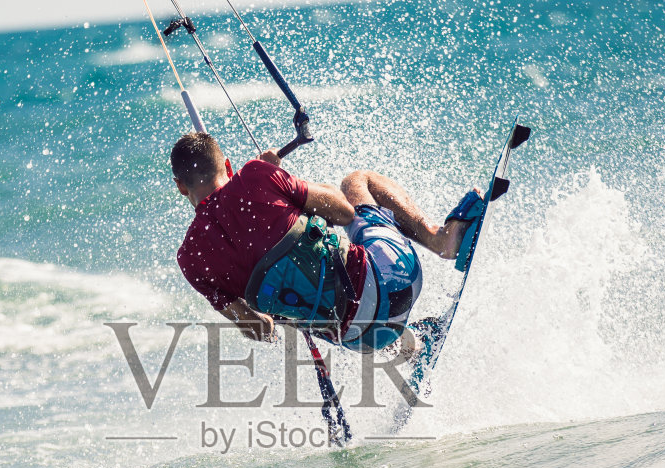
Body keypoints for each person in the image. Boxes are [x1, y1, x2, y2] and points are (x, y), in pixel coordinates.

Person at [170, 132, 473, 352]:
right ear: (227, 164)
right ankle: (440, 239)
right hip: (397, 279)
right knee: (357, 182)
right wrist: (277, 176)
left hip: (363, 339)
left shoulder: (192, 260)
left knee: (321, 309)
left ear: (180, 186)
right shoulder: (253, 176)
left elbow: (260, 330)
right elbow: (343, 211)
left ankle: (411, 346)